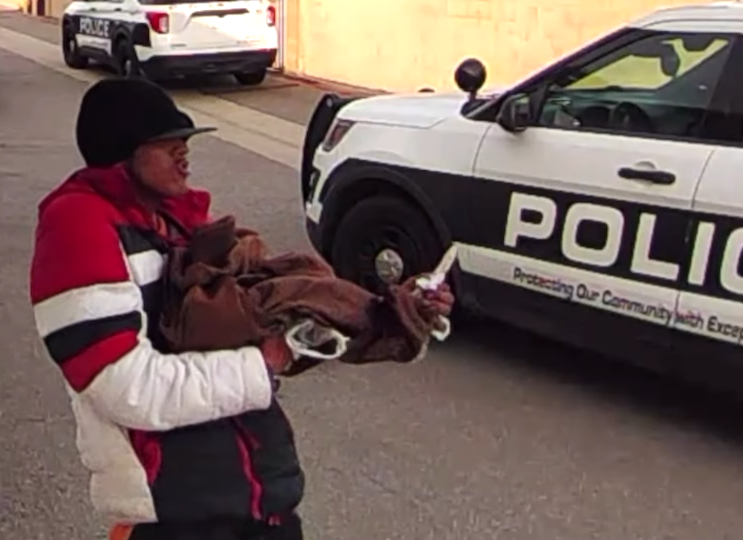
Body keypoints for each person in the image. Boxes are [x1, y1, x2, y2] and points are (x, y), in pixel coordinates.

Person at [28, 78, 454, 540]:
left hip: (258, 504)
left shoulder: (174, 221)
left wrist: (398, 311)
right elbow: (126, 389)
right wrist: (264, 363)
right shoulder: (78, 226)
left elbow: (260, 320)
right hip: (178, 515)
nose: (184, 155)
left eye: (185, 143)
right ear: (122, 153)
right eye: (167, 144)